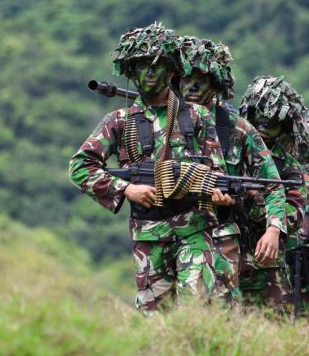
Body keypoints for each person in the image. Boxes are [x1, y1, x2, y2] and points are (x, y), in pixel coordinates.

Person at [68, 22, 232, 312]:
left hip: (193, 229)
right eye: (140, 67)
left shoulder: (197, 117)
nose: (148, 73)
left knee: (197, 310)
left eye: (155, 66)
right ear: (131, 73)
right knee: (155, 320)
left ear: (171, 71)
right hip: (149, 235)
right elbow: (80, 167)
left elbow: (215, 169)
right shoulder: (119, 121)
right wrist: (127, 188)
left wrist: (218, 193)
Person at [178, 36, 287, 304]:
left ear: (215, 83)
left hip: (223, 238)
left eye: (200, 79)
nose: (191, 85)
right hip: (173, 234)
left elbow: (273, 185)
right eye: (185, 77)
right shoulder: (166, 123)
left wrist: (273, 230)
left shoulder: (238, 130)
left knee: (224, 311)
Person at [237, 75, 309, 309]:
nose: (264, 127)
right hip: (225, 255)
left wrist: (253, 199)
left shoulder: (292, 169)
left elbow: (293, 215)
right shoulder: (231, 153)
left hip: (265, 265)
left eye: (273, 121)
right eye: (260, 118)